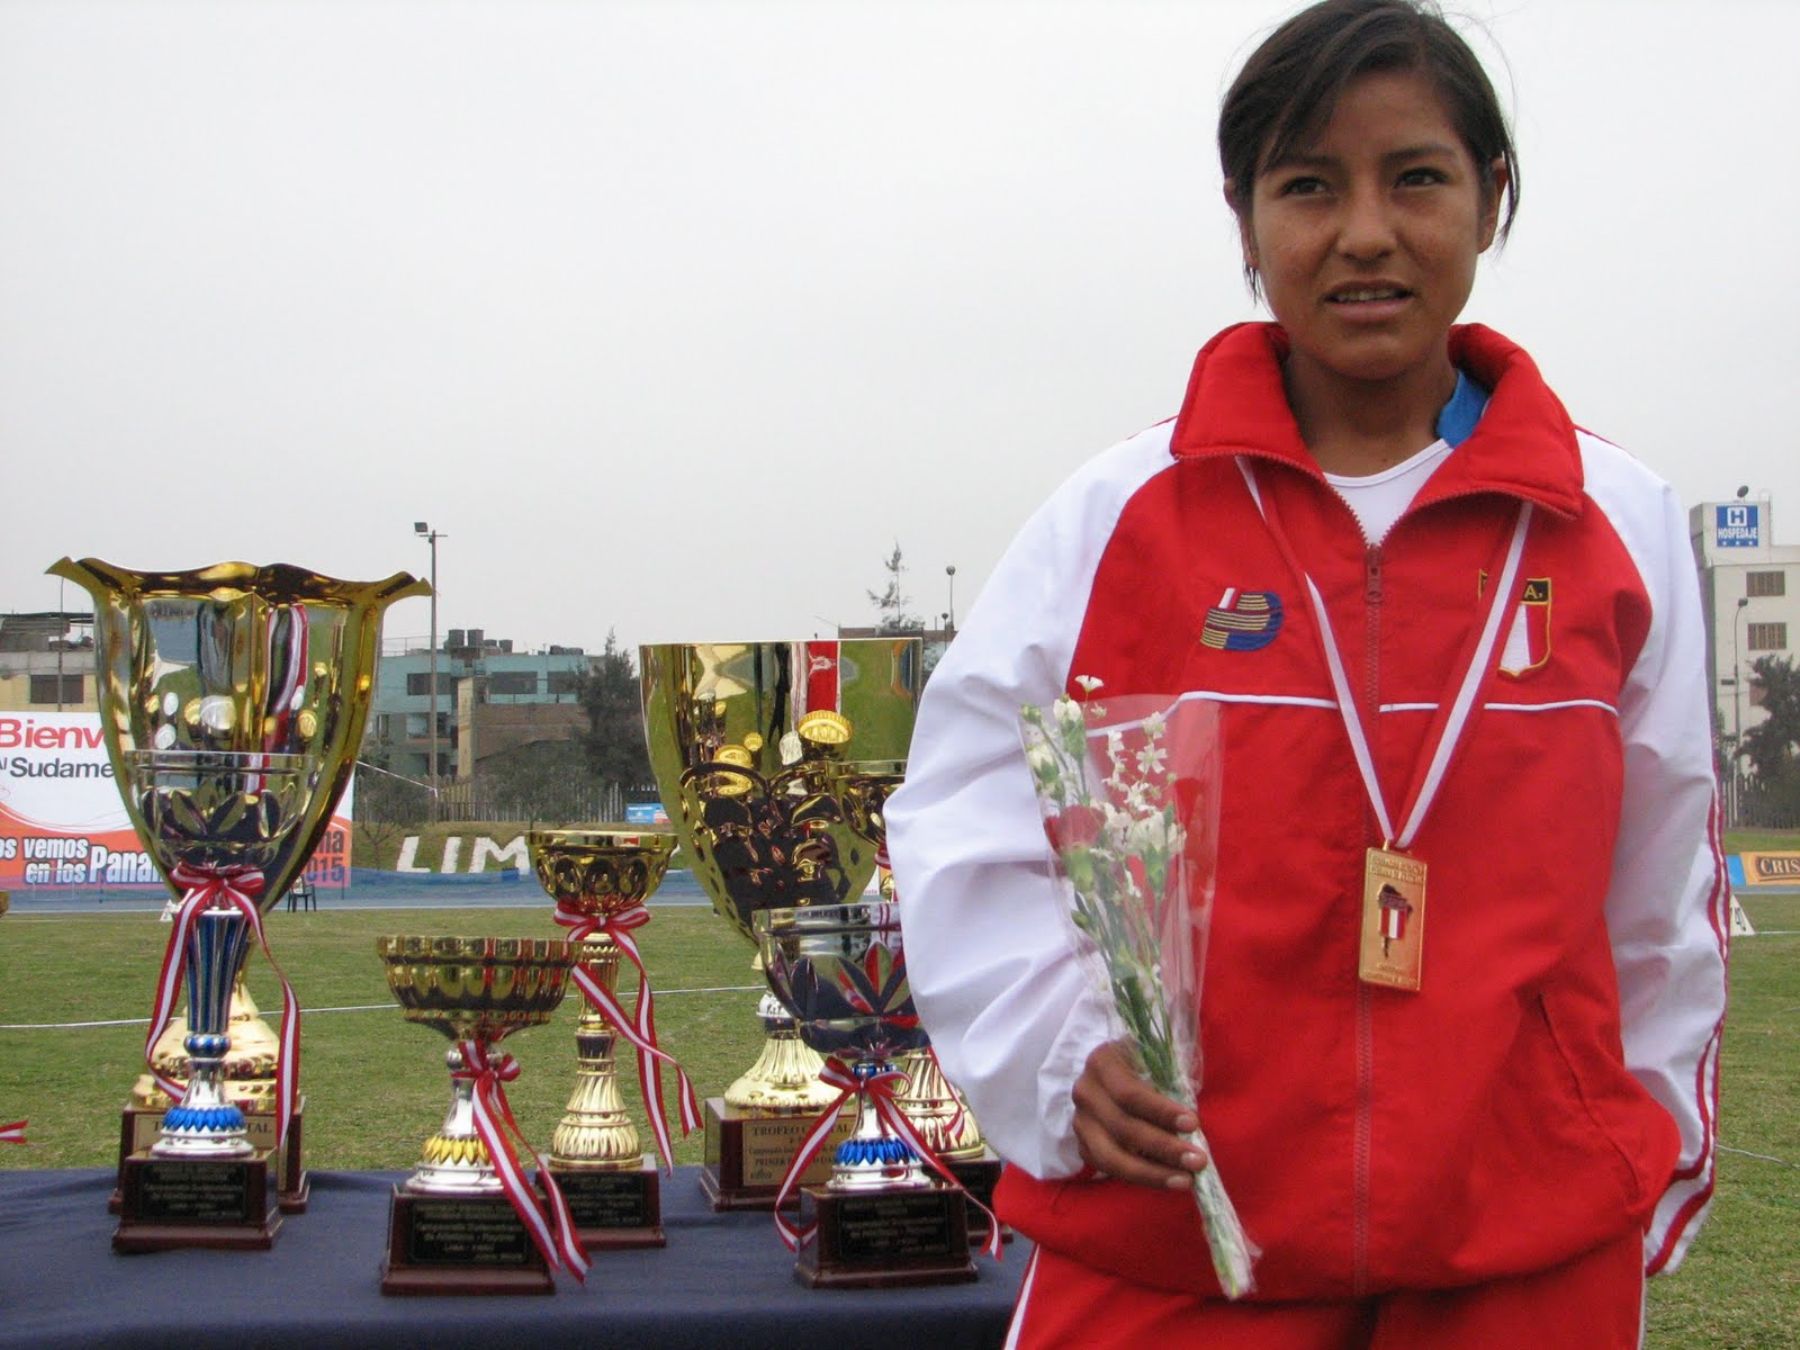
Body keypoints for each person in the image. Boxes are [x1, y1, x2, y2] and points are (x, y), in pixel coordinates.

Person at [885, 2, 1729, 1345]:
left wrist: (1647, 1151)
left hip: (1516, 1248)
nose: (1366, 233)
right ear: (1244, 215)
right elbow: (963, 814)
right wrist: (1057, 1054)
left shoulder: (1611, 524)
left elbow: (1663, 881)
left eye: (1418, 178)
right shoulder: (1118, 519)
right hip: (1176, 1234)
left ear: (1491, 196)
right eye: (1308, 186)